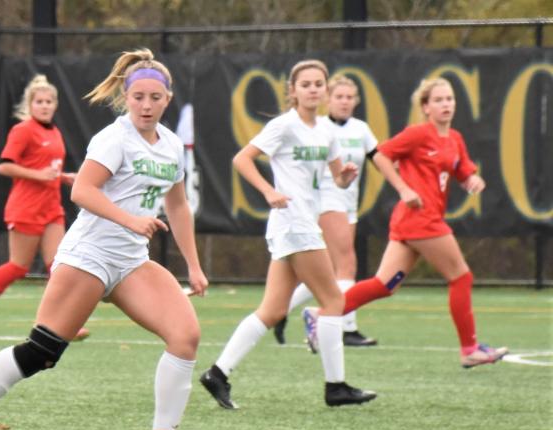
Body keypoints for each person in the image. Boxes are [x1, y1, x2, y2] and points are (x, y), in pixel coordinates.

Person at [0, 49, 211, 430]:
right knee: (42, 352)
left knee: (185, 336)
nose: (147, 105)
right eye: (138, 97)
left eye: (155, 97)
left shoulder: (171, 146)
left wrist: (193, 265)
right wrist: (130, 220)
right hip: (90, 256)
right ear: (125, 96)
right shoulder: (114, 139)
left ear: (168, 98)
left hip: (131, 263)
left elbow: (177, 206)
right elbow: (82, 191)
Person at [199, 60, 377, 411]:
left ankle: (217, 373)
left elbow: (337, 176)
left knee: (273, 309)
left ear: (325, 90)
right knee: (334, 302)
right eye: (305, 84)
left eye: (318, 84)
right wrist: (268, 191)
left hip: (301, 223)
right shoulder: (284, 126)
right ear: (292, 91)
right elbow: (242, 159)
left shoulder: (327, 131)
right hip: (294, 224)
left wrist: (346, 177)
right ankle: (336, 387)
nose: (313, 89)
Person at [303, 78, 508, 369]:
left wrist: (470, 178)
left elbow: (461, 167)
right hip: (420, 219)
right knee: (461, 277)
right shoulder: (418, 134)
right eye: (438, 100)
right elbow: (383, 155)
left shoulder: (454, 138)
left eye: (449, 99)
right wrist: (403, 188)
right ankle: (470, 349)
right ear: (425, 107)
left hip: (415, 222)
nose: (446, 105)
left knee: (384, 285)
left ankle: (321, 314)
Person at [0, 75, 87, 342]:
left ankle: (62, 323)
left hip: (52, 207)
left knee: (59, 265)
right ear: (30, 105)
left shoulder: (54, 132)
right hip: (26, 207)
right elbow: (4, 166)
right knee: (19, 266)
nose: (44, 105)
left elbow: (49, 167)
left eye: (49, 101)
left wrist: (64, 177)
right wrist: (39, 176)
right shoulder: (23, 130)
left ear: (55, 105)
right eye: (39, 101)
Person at [273, 75, 380, 348]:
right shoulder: (316, 128)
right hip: (327, 201)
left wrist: (403, 184)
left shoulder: (359, 128)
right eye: (339, 96)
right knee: (347, 266)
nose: (344, 102)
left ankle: (281, 310)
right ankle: (346, 326)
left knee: (328, 273)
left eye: (349, 97)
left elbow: (380, 159)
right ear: (328, 99)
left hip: (348, 202)